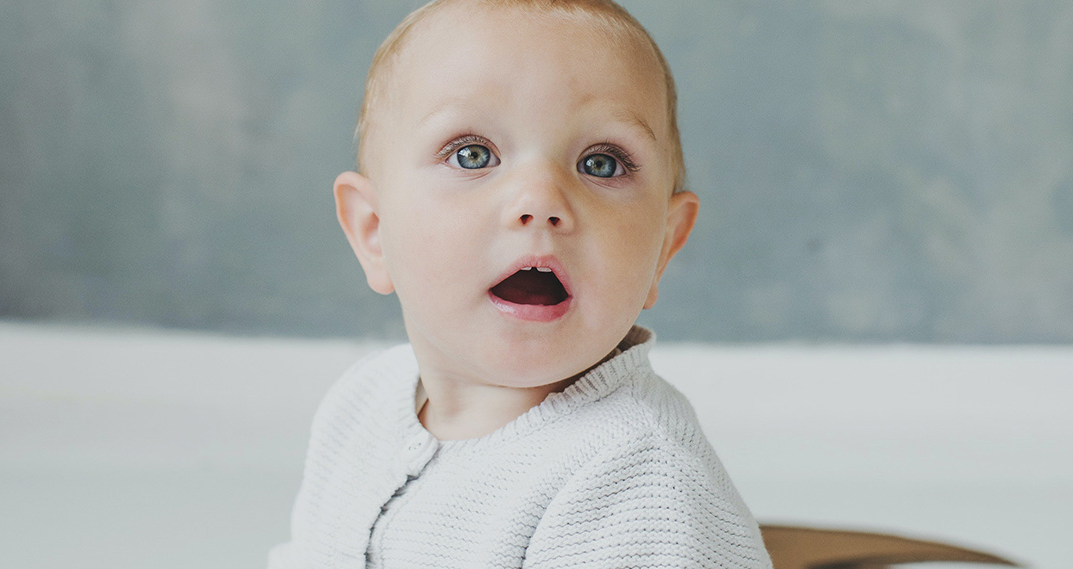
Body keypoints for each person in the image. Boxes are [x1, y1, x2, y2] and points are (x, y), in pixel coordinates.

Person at [269, 0, 772, 567]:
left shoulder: (637, 483)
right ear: (374, 231)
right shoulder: (361, 403)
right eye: (472, 154)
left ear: (662, 246)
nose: (540, 200)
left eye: (601, 163)